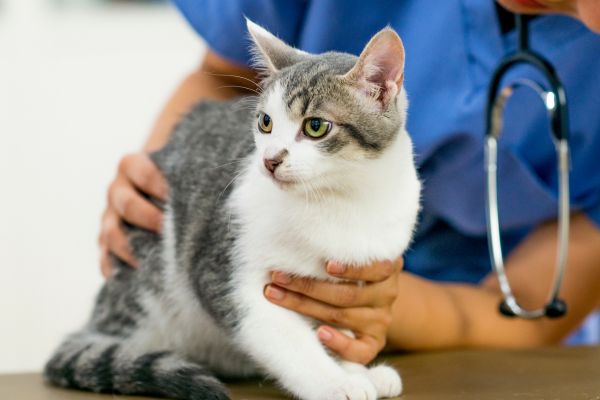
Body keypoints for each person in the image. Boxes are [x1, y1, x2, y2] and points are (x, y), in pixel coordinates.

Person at [98, 0, 600, 364]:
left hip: (468, 342)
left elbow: (534, 309)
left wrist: (370, 303)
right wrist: (162, 190)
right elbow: (222, 77)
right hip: (251, 306)